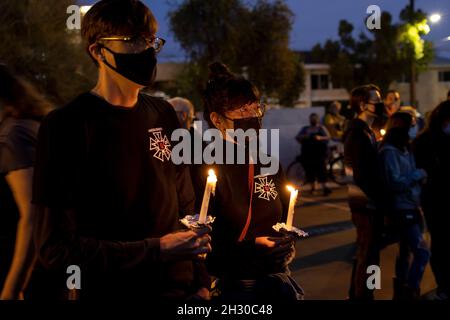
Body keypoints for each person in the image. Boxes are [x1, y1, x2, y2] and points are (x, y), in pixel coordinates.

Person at [30, 0, 211, 300]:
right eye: (133, 41)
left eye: (150, 40)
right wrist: (158, 249)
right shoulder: (66, 125)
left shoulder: (165, 114)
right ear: (98, 51)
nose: (148, 50)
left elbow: (187, 210)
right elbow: (55, 248)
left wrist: (201, 281)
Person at [191, 62, 303, 300]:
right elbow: (199, 242)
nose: (253, 117)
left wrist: (286, 244)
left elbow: (284, 219)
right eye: (242, 111)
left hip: (276, 283)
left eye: (255, 109)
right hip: (234, 288)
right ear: (217, 120)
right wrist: (252, 247)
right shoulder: (205, 168)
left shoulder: (269, 163)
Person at [0, 65, 51, 300]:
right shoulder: (27, 126)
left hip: (26, 274)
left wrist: (13, 288)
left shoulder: (13, 137)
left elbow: (32, 215)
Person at [379, 112, 430, 300]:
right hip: (401, 208)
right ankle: (411, 289)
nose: (415, 127)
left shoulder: (406, 149)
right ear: (401, 125)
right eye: (412, 124)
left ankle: (401, 291)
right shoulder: (389, 152)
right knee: (422, 252)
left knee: (405, 251)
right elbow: (395, 182)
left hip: (412, 206)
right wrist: (418, 175)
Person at [343, 84, 386, 300]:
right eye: (375, 100)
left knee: (369, 254)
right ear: (362, 104)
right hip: (366, 205)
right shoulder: (357, 133)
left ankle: (363, 293)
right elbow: (357, 174)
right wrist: (372, 200)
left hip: (369, 203)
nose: (380, 105)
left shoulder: (366, 131)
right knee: (368, 255)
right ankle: (365, 296)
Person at [413, 100, 450, 300]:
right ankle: (443, 285)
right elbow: (421, 169)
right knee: (441, 242)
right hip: (436, 199)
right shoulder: (426, 141)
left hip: (438, 197)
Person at [296, 113, 331, 196]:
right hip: (308, 152)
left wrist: (320, 138)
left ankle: (325, 188)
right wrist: (305, 137)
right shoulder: (305, 129)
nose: (313, 120)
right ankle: (313, 188)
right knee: (310, 170)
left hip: (319, 152)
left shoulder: (321, 128)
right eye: (312, 118)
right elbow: (298, 137)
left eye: (315, 118)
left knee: (322, 170)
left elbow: (328, 137)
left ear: (317, 119)